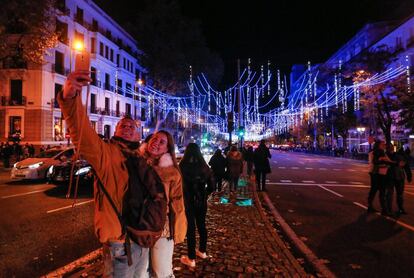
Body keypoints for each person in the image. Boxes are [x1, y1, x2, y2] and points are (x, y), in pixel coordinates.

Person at [59, 70, 162, 277]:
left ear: (138, 134)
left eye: (131, 126)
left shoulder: (142, 159)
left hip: (142, 237)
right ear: (115, 131)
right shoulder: (106, 153)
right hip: (120, 240)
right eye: (122, 125)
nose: (126, 127)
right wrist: (70, 97)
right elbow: (82, 133)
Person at [139, 130, 187, 277]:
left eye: (162, 142)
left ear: (167, 149)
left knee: (161, 271)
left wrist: (178, 231)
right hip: (137, 226)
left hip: (162, 227)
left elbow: (177, 203)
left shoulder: (172, 173)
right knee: (140, 273)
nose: (156, 143)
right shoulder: (136, 163)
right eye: (154, 138)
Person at [179, 143, 215, 268]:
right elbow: (212, 187)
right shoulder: (205, 167)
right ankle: (202, 251)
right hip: (201, 201)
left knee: (190, 229)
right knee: (202, 225)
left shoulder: (182, 167)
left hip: (187, 201)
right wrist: (204, 195)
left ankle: (191, 258)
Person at [367, 141, 380, 212]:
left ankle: (370, 203)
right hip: (374, 171)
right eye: (382, 144)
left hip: (378, 172)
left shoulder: (380, 152)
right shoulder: (373, 153)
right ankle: (370, 203)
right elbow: (373, 162)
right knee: (374, 188)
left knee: (376, 188)